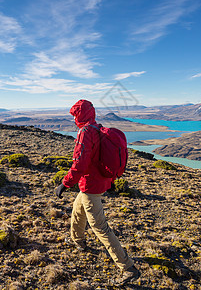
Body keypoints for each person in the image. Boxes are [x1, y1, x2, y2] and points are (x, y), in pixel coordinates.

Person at [54, 99, 141, 286]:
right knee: (78, 210)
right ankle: (78, 241)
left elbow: (80, 164)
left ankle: (128, 268)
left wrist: (65, 183)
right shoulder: (96, 128)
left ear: (79, 115)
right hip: (98, 181)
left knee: (100, 227)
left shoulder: (85, 133)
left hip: (91, 185)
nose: (73, 118)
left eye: (74, 115)